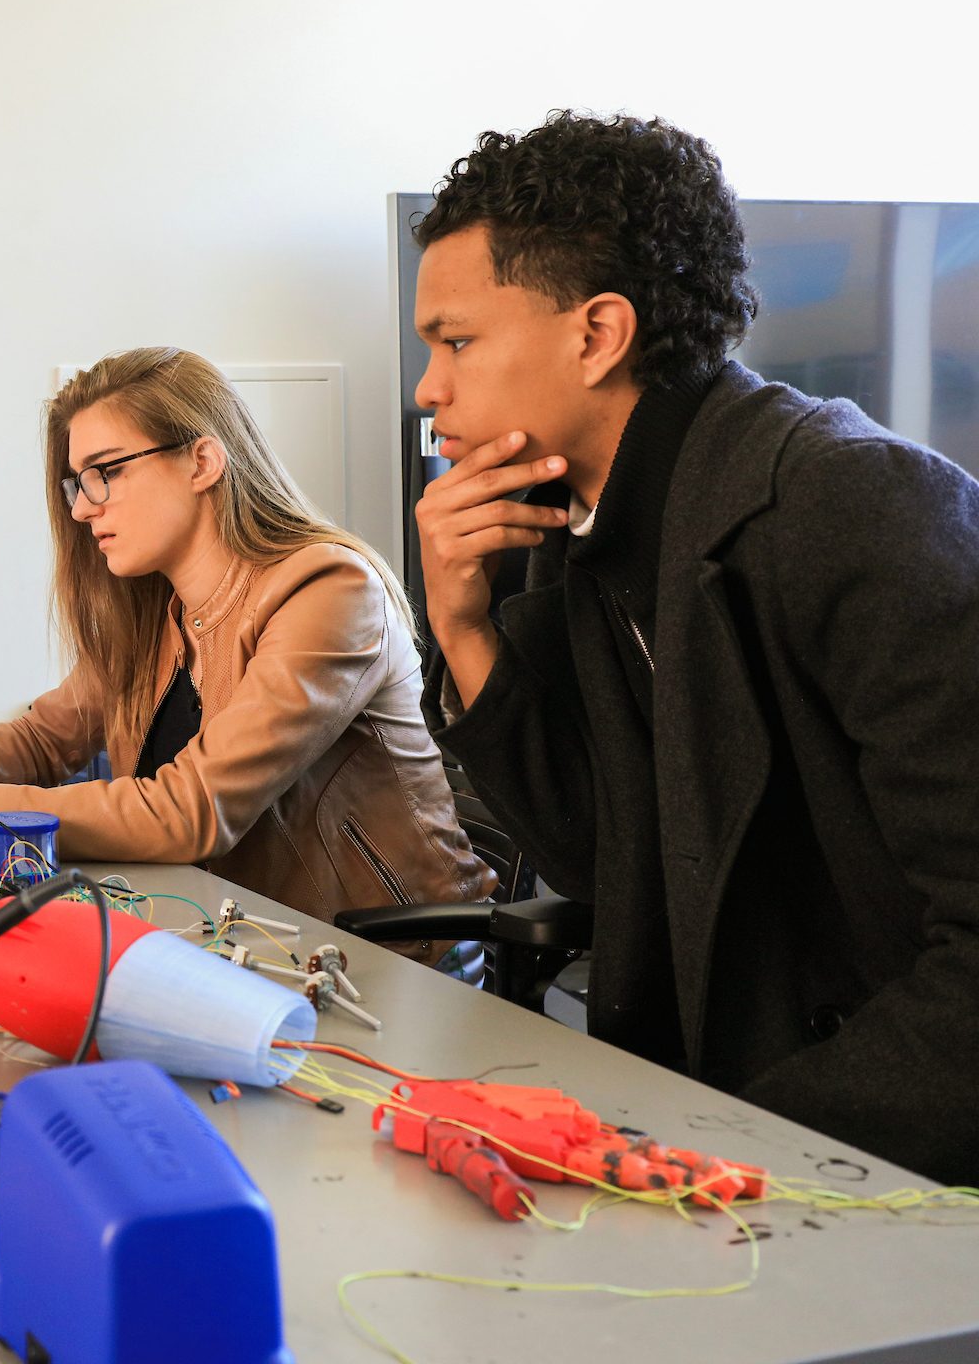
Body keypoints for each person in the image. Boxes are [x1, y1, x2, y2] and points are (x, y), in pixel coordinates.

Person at [412, 111, 979, 1184]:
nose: (428, 388)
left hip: (885, 1161)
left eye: (456, 340)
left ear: (597, 333)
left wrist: (734, 1150)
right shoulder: (581, 531)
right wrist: (464, 628)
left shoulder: (852, 506)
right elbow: (606, 864)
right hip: (727, 1120)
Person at [0, 349, 494, 944]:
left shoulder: (328, 591)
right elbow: (40, 739)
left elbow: (191, 813)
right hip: (234, 933)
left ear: (202, 460)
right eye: (76, 482)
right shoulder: (162, 605)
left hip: (392, 960)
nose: (87, 507)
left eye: (106, 474)